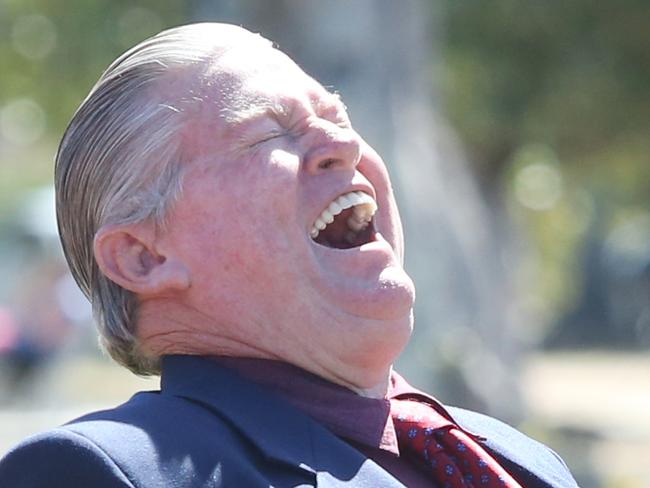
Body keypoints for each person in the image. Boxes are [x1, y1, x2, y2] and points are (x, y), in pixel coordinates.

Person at [0, 23, 577, 487]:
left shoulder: (518, 458)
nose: (345, 144)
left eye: (337, 118)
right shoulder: (102, 470)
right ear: (143, 257)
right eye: (269, 131)